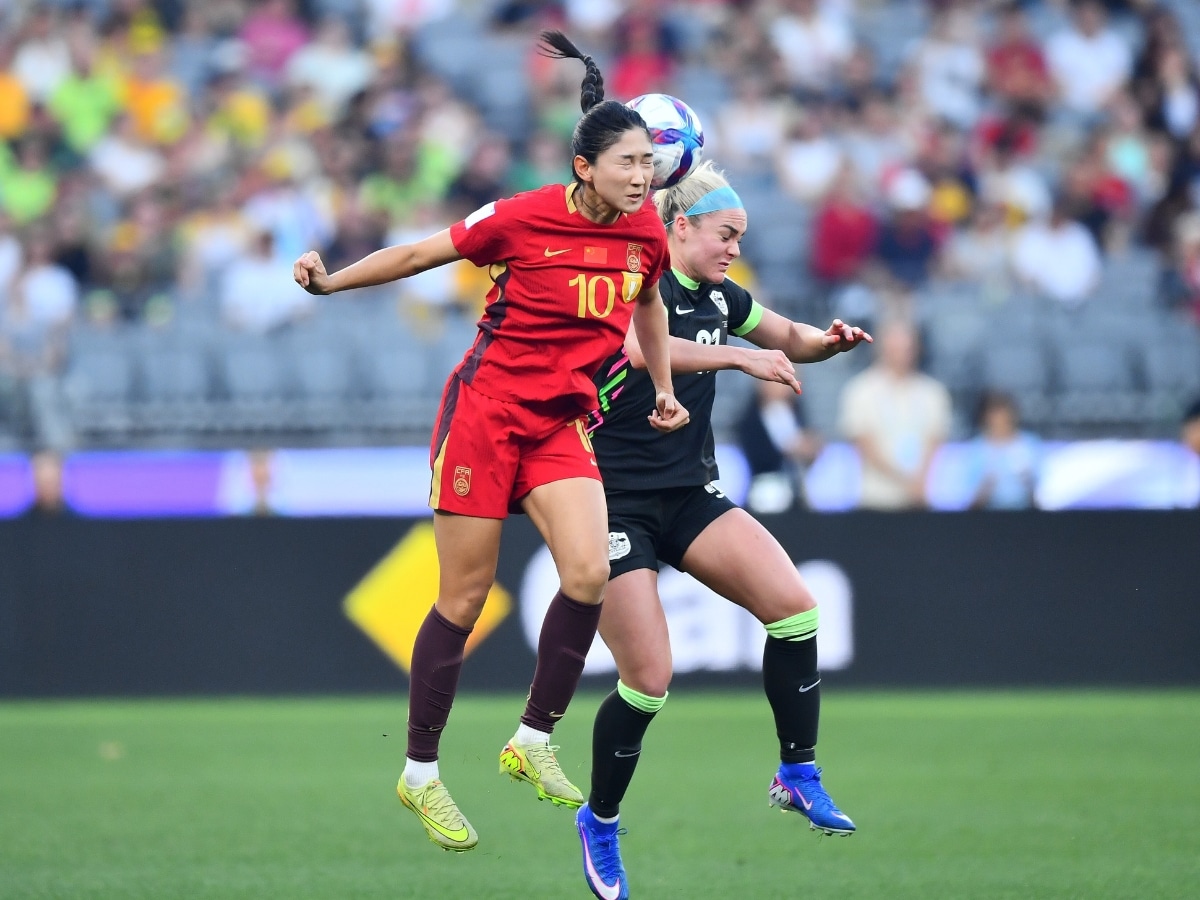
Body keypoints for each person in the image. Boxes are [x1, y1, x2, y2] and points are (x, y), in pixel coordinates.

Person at [293, 30, 689, 853]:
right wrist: (333, 283)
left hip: (559, 423)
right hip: (484, 415)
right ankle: (421, 773)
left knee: (588, 572)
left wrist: (661, 387)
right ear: (585, 167)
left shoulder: (646, 233)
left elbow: (648, 307)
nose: (643, 176)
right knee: (464, 601)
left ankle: (532, 739)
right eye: (629, 164)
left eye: (649, 164)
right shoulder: (520, 216)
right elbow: (419, 251)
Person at [576, 161, 870, 900]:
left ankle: (797, 772)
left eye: (740, 235)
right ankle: (600, 820)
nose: (734, 247)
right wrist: (741, 355)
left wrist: (825, 341)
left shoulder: (721, 297)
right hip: (609, 503)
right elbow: (643, 350)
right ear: (679, 228)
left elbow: (787, 336)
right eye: (724, 234)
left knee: (797, 609)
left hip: (686, 495)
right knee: (648, 682)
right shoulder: (635, 284)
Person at [839, 320, 951, 510]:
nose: (901, 355)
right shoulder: (861, 391)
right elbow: (865, 447)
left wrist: (919, 483)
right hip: (876, 501)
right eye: (895, 348)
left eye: (906, 348)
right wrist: (906, 482)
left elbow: (935, 442)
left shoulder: (933, 393)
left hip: (919, 501)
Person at [964, 391, 1041, 510]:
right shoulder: (976, 449)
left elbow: (1045, 497)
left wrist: (1028, 481)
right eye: (995, 415)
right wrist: (987, 485)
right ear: (985, 418)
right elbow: (969, 503)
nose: (1000, 421)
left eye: (1004, 414)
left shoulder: (1030, 444)